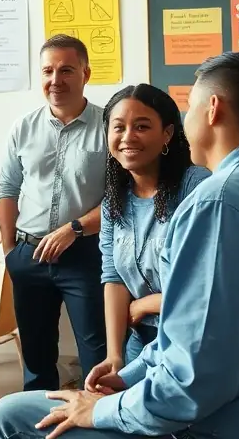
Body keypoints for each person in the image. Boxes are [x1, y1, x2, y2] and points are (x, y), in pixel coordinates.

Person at [0, 51, 239, 439]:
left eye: (189, 108)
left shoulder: (215, 198)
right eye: (118, 127)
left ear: (212, 109)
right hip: (225, 398)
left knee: (8, 417)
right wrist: (125, 371)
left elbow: (190, 377)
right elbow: (186, 332)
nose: (127, 137)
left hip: (203, 420)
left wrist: (103, 409)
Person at [0, 35, 107, 391]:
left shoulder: (108, 126)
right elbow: (7, 190)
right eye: (48, 70)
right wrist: (11, 252)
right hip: (29, 255)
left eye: (66, 70)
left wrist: (74, 229)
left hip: (86, 254)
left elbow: (122, 198)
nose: (55, 80)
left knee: (97, 356)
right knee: (36, 360)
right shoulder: (23, 128)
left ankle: (95, 425)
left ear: (85, 73)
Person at [93, 84, 207, 376]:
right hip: (139, 341)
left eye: (142, 126)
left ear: (167, 134)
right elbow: (114, 276)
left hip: (190, 339)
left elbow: (208, 280)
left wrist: (148, 303)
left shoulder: (195, 186)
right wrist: (114, 355)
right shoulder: (114, 202)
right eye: (118, 127)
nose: (128, 137)